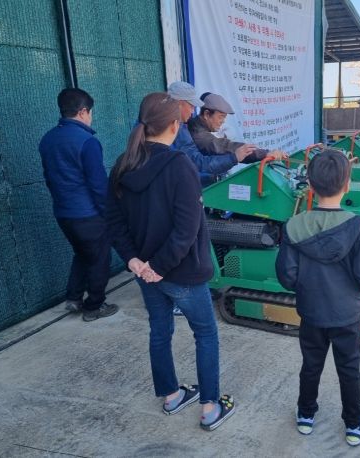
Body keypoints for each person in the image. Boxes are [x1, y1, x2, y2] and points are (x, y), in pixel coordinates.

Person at [106, 92, 235, 431]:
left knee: (160, 330)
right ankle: (210, 407)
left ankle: (172, 395)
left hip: (145, 271)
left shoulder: (123, 164)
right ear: (176, 126)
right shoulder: (179, 165)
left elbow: (114, 221)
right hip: (180, 272)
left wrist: (135, 262)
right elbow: (187, 228)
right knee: (205, 333)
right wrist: (157, 267)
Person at [275, 150, 360, 447]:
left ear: (310, 185)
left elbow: (287, 276)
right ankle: (353, 424)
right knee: (349, 368)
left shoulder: (294, 226)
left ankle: (306, 415)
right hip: (346, 314)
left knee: (311, 365)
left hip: (311, 312)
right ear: (347, 184)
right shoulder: (357, 226)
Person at [39, 88, 118, 322]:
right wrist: (109, 214)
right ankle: (94, 306)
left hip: (63, 213)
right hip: (88, 215)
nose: (90, 117)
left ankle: (73, 298)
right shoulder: (87, 142)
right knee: (100, 259)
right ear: (83, 111)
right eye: (90, 112)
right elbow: (98, 185)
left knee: (82, 254)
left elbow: (49, 179)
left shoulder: (48, 139)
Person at [167, 82, 254, 187]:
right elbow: (198, 163)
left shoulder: (182, 125)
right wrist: (234, 158)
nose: (192, 111)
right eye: (191, 106)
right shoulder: (179, 129)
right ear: (179, 104)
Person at [188, 92, 287, 162]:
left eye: (224, 117)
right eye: (220, 117)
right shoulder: (197, 133)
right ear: (206, 114)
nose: (223, 121)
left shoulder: (198, 127)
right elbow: (225, 146)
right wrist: (264, 154)